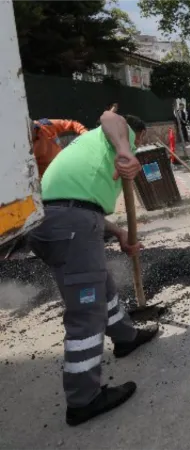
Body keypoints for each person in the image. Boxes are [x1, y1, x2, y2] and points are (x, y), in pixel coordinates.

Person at [27, 112, 160, 427]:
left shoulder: (90, 151)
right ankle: (83, 399)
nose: (136, 147)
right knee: (86, 315)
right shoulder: (117, 134)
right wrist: (126, 148)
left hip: (59, 219)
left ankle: (126, 337)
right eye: (137, 142)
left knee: (100, 284)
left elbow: (81, 203)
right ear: (136, 135)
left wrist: (118, 234)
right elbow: (109, 116)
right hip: (69, 225)